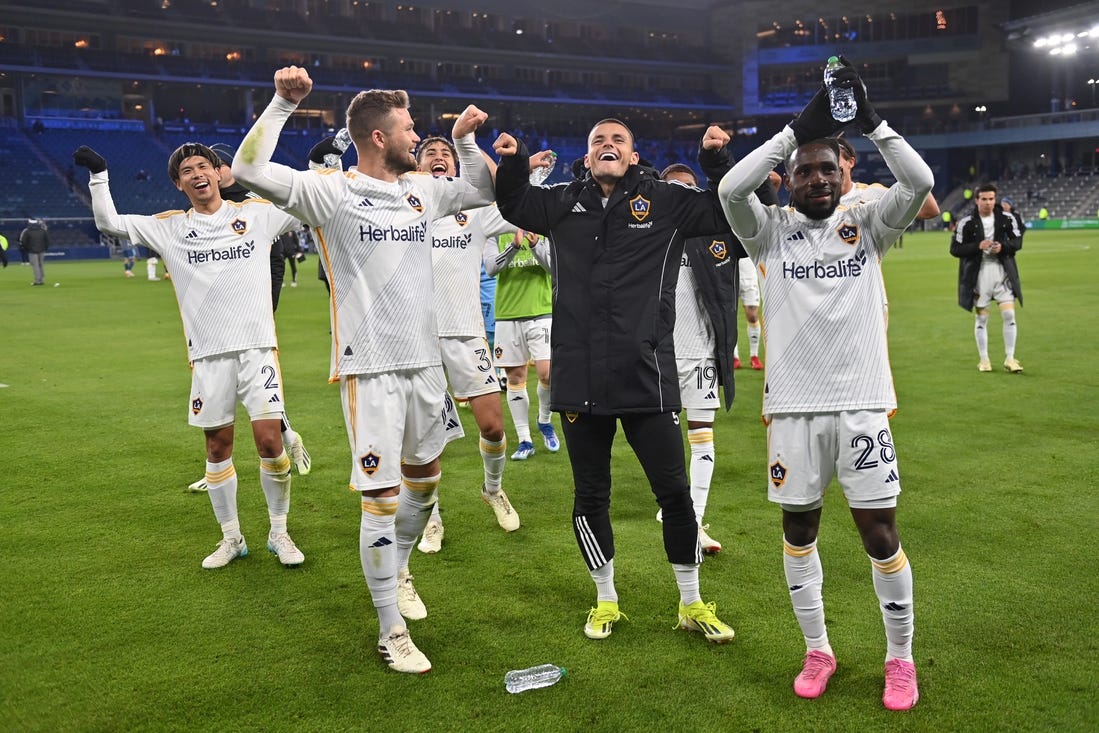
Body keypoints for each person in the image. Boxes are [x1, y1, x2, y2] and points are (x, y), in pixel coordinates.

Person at [232, 66, 495, 674]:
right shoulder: (331, 191)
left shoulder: (422, 190)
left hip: (427, 364)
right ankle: (390, 628)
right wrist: (280, 104)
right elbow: (246, 171)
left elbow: (482, 190)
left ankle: (399, 569)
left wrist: (463, 142)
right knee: (380, 496)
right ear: (378, 136)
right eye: (408, 128)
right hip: (371, 368)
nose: (415, 136)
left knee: (424, 484)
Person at [716, 56, 932, 711]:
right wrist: (793, 130)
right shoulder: (770, 232)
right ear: (787, 179)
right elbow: (729, 190)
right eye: (804, 169)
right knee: (798, 531)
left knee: (879, 534)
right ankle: (818, 648)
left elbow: (918, 180)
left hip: (861, 405)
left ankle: (900, 658)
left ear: (844, 174)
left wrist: (873, 123)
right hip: (792, 411)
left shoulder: (867, 225)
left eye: (827, 168)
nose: (815, 177)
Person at [492, 117, 736, 645]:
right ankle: (605, 599)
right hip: (580, 375)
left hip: (647, 373)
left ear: (632, 154)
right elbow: (514, 204)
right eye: (598, 141)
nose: (607, 146)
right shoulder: (561, 200)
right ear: (586, 157)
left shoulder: (665, 200)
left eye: (617, 141)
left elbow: (724, 207)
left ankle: (691, 602)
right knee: (591, 495)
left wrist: (715, 161)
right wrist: (514, 161)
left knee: (674, 493)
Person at [73, 141, 307, 571]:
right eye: (187, 171)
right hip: (208, 357)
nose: (198, 174)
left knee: (270, 442)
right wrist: (99, 174)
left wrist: (324, 162)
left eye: (204, 166)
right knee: (217, 446)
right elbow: (108, 221)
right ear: (179, 184)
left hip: (258, 351)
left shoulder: (256, 214)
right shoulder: (170, 228)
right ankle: (232, 537)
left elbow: (309, 201)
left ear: (219, 173)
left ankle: (279, 531)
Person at [409, 134, 524, 555]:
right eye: (430, 155)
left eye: (446, 156)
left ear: (456, 169)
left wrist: (497, 160)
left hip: (467, 333)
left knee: (492, 425)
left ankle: (493, 490)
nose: (439, 159)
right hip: (416, 340)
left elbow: (513, 201)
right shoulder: (403, 213)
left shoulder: (474, 214)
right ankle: (432, 518)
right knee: (425, 438)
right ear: (416, 166)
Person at [183, 143, 312, 492]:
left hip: (258, 287)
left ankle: (279, 436)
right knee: (224, 383)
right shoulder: (206, 203)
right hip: (215, 308)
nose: (212, 172)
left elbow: (278, 244)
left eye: (218, 165)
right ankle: (274, 440)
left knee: (250, 368)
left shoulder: (251, 198)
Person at [835, 135, 941, 325]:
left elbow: (930, 210)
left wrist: (908, 173)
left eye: (835, 159)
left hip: (866, 303)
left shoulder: (871, 193)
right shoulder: (811, 202)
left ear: (851, 162)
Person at [484, 228, 560, 461]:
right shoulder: (494, 230)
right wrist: (514, 247)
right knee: (516, 378)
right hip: (508, 314)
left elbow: (554, 268)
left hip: (542, 311)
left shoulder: (545, 227)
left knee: (547, 374)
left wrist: (536, 244)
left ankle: (544, 421)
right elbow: (491, 268)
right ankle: (524, 439)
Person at [950, 183, 1025, 373]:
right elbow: (955, 249)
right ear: (977, 200)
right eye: (984, 199)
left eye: (991, 199)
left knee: (1009, 315)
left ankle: (1010, 358)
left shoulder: (1007, 219)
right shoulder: (966, 223)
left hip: (1002, 272)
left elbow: (1017, 241)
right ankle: (984, 360)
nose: (988, 203)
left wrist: (1004, 247)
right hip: (979, 274)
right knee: (982, 319)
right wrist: (978, 246)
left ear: (995, 199)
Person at [19, 218, 50, 286]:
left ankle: (37, 281)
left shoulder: (27, 231)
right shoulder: (42, 230)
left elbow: (23, 242)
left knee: (35, 266)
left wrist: (27, 248)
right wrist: (45, 248)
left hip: (32, 251)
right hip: (42, 250)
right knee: (41, 265)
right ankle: (41, 279)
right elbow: (47, 240)